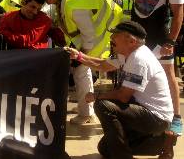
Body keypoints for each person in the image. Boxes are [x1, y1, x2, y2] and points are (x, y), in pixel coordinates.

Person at [81, 0, 184, 135]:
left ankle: (176, 117)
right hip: (135, 30)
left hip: (158, 33)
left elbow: (178, 13)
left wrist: (170, 42)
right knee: (123, 66)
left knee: (167, 73)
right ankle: (133, 111)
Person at [64, 21, 174, 159]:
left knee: (104, 105)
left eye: (116, 35)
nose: (111, 38)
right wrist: (78, 56)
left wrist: (97, 95)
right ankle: (161, 142)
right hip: (143, 111)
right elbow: (102, 65)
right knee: (104, 148)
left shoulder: (139, 59)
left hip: (156, 118)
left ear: (132, 41)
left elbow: (123, 96)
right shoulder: (126, 53)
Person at [39, 0, 124, 125]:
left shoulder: (74, 5)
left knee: (80, 71)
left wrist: (81, 56)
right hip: (93, 32)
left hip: (100, 32)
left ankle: (86, 114)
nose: (46, 1)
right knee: (82, 71)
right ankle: (85, 107)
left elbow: (88, 35)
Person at [0, 0, 65, 50]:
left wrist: (1, 34)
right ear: (23, 2)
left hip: (37, 64)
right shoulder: (7, 17)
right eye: (32, 7)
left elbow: (27, 41)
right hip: (12, 65)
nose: (35, 12)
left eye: (38, 9)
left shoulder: (44, 20)